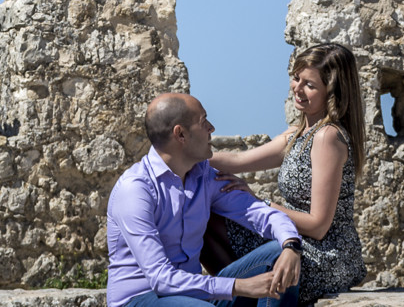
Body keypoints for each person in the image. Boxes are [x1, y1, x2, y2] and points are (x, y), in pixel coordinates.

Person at [107, 92, 305, 307]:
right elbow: (161, 280)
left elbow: (256, 211)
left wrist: (290, 244)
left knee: (278, 254)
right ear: (180, 134)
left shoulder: (204, 175)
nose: (212, 128)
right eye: (203, 122)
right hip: (141, 298)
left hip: (194, 295)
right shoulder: (136, 190)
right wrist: (240, 286)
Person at [209, 43, 368, 301]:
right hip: (296, 239)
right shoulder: (297, 134)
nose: (297, 88)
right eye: (296, 78)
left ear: (332, 92)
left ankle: (229, 297)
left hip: (325, 255)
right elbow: (238, 160)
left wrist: (260, 204)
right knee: (209, 217)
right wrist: (187, 155)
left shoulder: (328, 137)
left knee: (277, 252)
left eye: (310, 85)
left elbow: (318, 226)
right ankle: (238, 297)